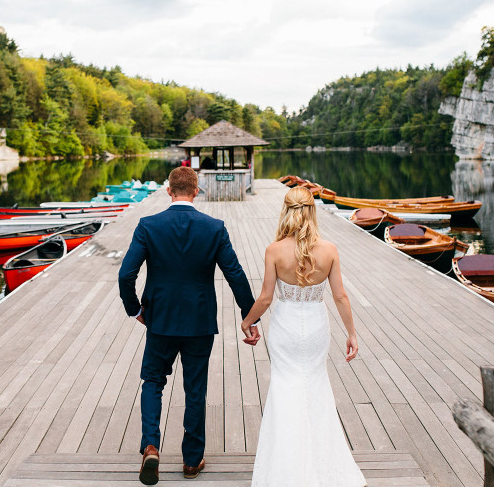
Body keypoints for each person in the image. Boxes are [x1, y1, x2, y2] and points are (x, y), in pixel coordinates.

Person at [118, 166, 257, 486]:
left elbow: (126, 274)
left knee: (152, 381)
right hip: (199, 321)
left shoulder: (149, 225)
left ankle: (151, 446)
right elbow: (235, 274)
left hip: (160, 320)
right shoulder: (214, 228)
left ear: (169, 190)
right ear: (197, 191)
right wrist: (249, 317)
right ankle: (192, 461)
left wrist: (134, 309)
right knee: (195, 389)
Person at [240, 186, 367, 487]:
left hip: (284, 328)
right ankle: (324, 467)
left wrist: (247, 320)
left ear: (286, 211)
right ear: (312, 211)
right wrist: (352, 332)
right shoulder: (329, 250)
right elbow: (341, 297)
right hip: (315, 326)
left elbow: (266, 298)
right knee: (315, 384)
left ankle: (285, 469)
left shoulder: (274, 250)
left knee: (285, 387)